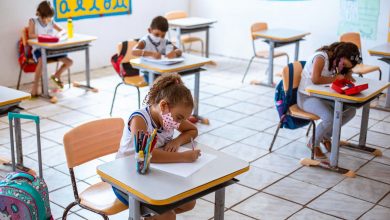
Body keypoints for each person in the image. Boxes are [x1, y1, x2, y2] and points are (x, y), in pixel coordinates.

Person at [114, 73, 199, 219]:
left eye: (183, 119)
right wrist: (183, 157)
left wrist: (176, 141)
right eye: (179, 118)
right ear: (164, 106)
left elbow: (192, 130)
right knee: (168, 216)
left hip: (151, 175)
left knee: (189, 203)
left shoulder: (169, 117)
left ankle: (149, 217)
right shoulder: (139, 119)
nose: (179, 123)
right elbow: (148, 154)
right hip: (126, 180)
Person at [298, 42, 362, 159]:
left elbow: (341, 74)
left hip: (323, 96)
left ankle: (325, 135)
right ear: (339, 56)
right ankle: (313, 143)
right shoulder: (320, 58)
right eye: (344, 64)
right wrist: (335, 78)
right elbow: (316, 80)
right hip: (307, 97)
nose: (343, 66)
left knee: (351, 111)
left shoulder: (335, 59)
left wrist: (347, 72)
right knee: (329, 117)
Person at [28, 1, 73, 96]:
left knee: (69, 62)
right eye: (45, 18)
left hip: (52, 49)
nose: (47, 21)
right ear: (39, 14)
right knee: (41, 61)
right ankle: (35, 86)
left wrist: (59, 35)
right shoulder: (33, 21)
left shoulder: (51, 21)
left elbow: (63, 30)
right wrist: (42, 36)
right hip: (39, 50)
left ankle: (56, 75)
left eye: (49, 18)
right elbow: (30, 35)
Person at [132, 16, 182, 83]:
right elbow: (134, 51)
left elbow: (179, 51)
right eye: (156, 34)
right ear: (149, 30)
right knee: (162, 84)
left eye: (163, 35)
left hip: (161, 71)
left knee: (174, 81)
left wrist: (175, 53)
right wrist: (151, 54)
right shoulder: (145, 41)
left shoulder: (165, 41)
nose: (159, 37)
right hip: (148, 72)